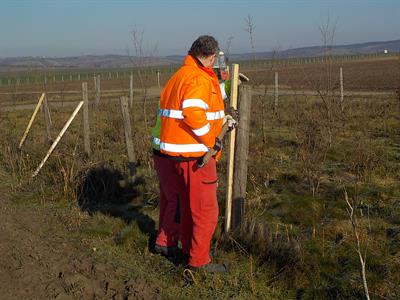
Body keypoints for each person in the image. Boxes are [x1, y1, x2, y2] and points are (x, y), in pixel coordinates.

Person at [153, 35, 235, 273]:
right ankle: (198, 262)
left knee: (188, 207)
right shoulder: (198, 78)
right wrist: (214, 142)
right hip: (197, 156)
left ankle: (187, 249)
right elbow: (193, 113)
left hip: (174, 155)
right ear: (210, 57)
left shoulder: (179, 75)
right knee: (206, 211)